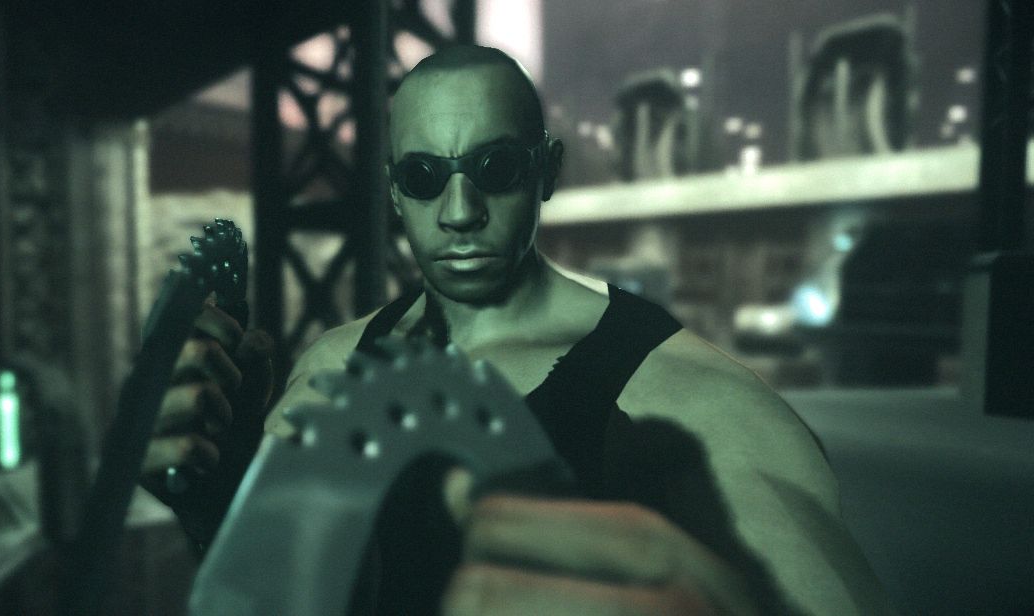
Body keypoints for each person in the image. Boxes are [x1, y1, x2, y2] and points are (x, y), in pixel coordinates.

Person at [142, 45, 896, 615]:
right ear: (394, 192)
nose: (459, 212)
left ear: (548, 171)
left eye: (495, 167)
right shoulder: (334, 365)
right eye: (425, 178)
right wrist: (217, 503)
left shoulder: (700, 407)